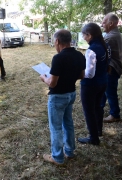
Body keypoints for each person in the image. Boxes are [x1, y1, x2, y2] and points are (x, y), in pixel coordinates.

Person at [40, 30, 86, 165]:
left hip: (58, 97)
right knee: (68, 123)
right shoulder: (79, 55)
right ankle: (70, 151)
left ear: (57, 41)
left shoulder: (58, 58)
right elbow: (82, 75)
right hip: (71, 94)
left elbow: (52, 83)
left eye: (54, 41)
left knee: (56, 127)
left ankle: (57, 157)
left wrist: (44, 77)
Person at [78, 23, 111, 145]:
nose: (84, 38)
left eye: (84, 35)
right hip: (103, 81)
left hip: (90, 85)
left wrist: (77, 74)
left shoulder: (91, 50)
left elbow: (89, 74)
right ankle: (98, 130)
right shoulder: (105, 45)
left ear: (90, 35)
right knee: (98, 107)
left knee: (89, 110)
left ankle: (93, 138)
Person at [101, 13, 122, 123]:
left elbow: (99, 49)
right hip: (114, 67)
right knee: (106, 89)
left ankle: (115, 114)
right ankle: (99, 107)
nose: (102, 24)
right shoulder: (114, 34)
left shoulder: (110, 37)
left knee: (110, 91)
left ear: (111, 23)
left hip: (112, 68)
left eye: (104, 22)